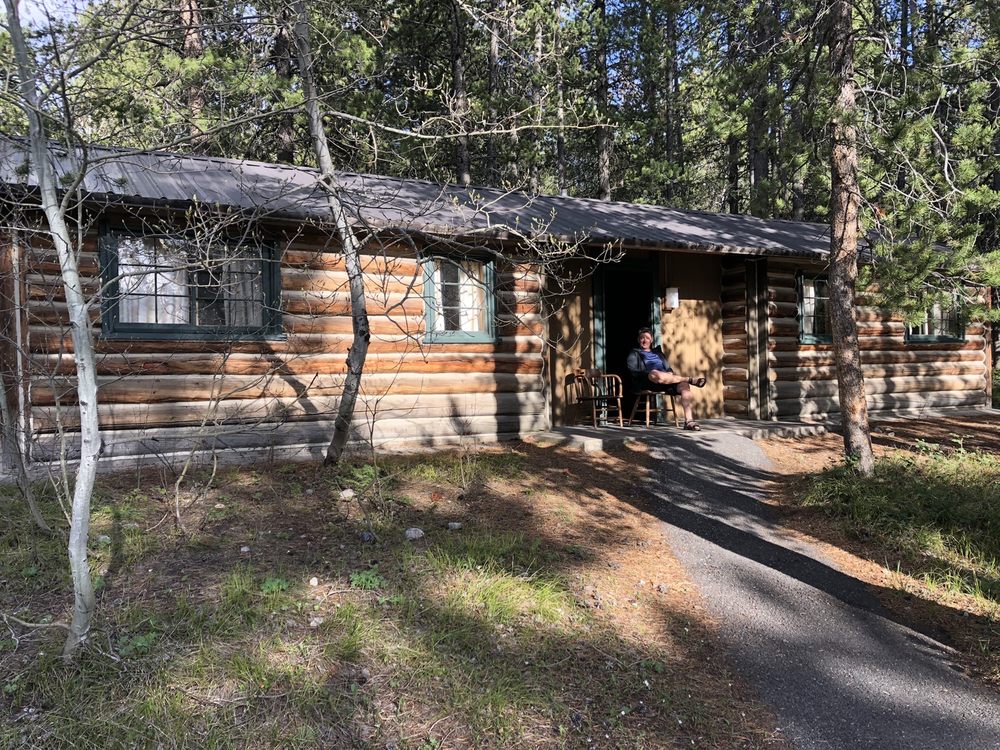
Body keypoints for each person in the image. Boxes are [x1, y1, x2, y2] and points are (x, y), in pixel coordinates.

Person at [626, 326, 707, 430]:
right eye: (642, 338)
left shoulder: (658, 353)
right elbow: (633, 371)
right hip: (648, 381)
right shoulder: (634, 353)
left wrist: (669, 373)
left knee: (684, 386)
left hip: (666, 381)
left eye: (647, 338)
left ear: (651, 340)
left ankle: (689, 421)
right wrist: (649, 373)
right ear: (638, 340)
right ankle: (689, 379)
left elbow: (668, 368)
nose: (644, 340)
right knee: (655, 373)